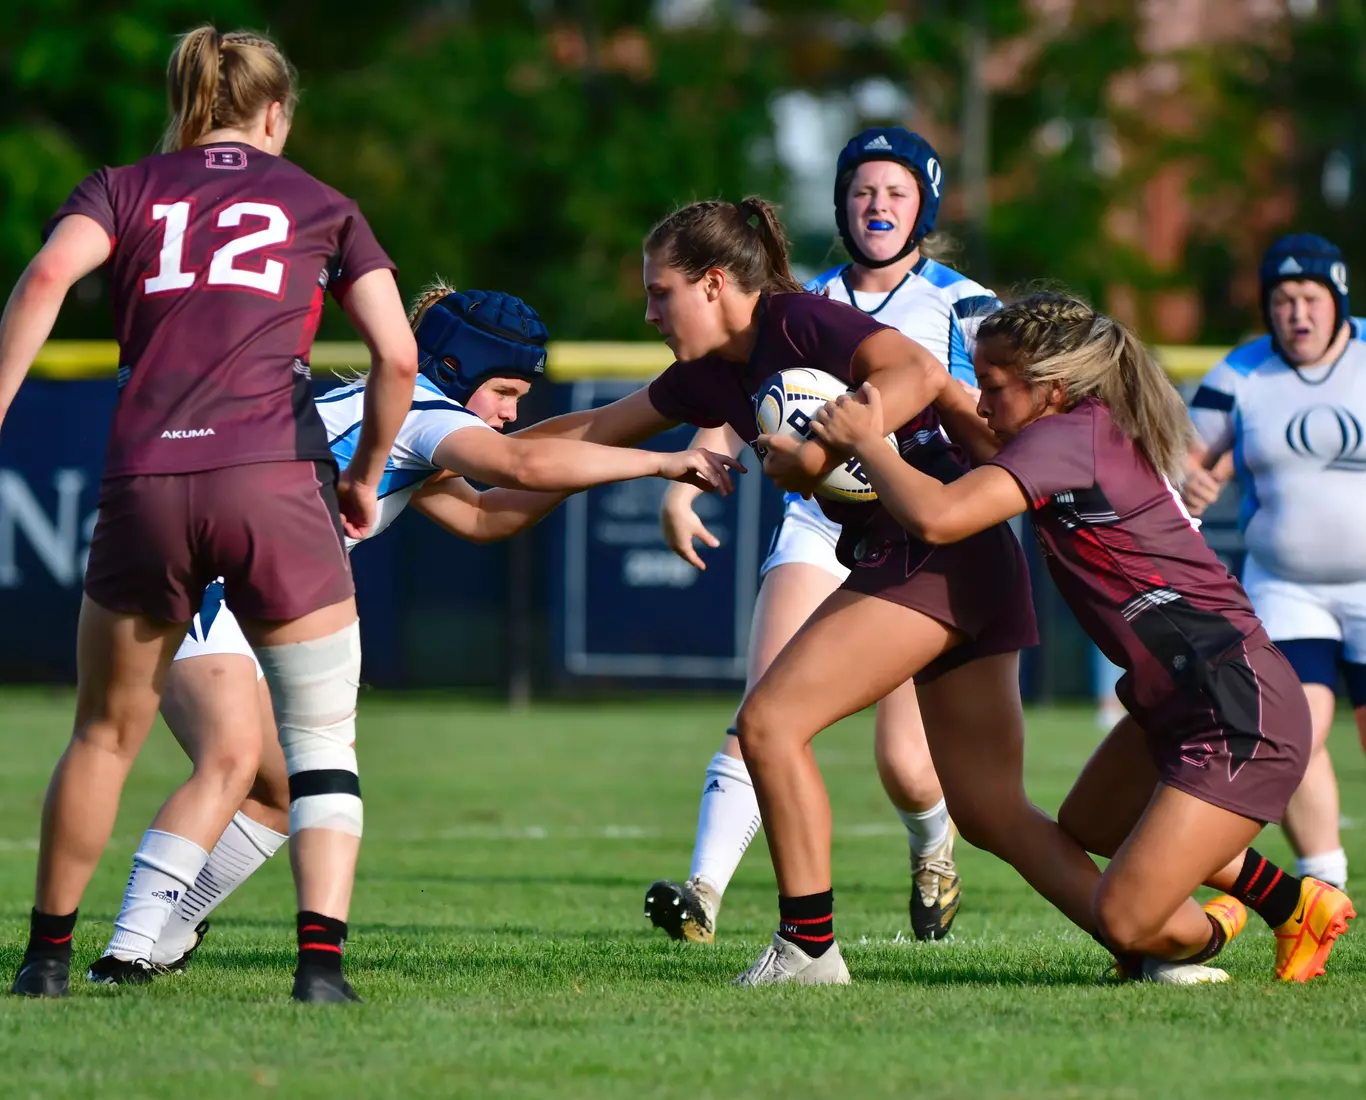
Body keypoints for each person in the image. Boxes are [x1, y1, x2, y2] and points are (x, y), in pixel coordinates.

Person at [83, 283, 740, 984]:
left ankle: (170, 933)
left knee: (277, 792)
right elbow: (519, 463)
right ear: (456, 368)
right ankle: (124, 951)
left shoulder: (386, 412)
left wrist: (603, 447)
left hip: (232, 584)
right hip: (209, 585)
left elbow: (490, 516)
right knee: (230, 759)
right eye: (507, 391)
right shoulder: (422, 414)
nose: (513, 413)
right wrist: (660, 459)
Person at [1, 25, 419, 1002]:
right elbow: (396, 356)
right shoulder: (321, 201)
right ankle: (319, 968)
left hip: (144, 480)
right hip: (271, 477)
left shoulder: (123, 185)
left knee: (104, 732)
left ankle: (45, 958)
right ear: (276, 112)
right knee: (320, 740)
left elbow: (48, 278)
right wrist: (361, 471)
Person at [810, 290, 1357, 984]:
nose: (981, 405)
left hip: (1233, 702)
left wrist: (865, 443)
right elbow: (992, 454)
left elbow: (942, 517)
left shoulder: (1070, 438)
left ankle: (1210, 932)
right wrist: (939, 391)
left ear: (1052, 389)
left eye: (994, 388)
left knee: (1127, 922)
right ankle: (1292, 902)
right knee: (1092, 821)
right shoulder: (1072, 429)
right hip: (1183, 694)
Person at [646, 127, 999, 945]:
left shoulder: (965, 301)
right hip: (816, 517)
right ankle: (703, 890)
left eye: (896, 191)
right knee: (761, 706)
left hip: (915, 526)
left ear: (925, 207)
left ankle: (932, 845)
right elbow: (744, 391)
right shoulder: (806, 299)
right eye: (863, 190)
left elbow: (989, 411)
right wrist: (689, 470)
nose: (878, 205)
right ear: (841, 205)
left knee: (907, 766)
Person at [1183, 234, 1366, 891]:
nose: (1297, 313)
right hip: (1286, 587)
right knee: (1291, 737)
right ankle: (1324, 884)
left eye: (1311, 298)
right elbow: (1181, 457)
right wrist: (1193, 479)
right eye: (1283, 300)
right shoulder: (1240, 373)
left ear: (1338, 302)